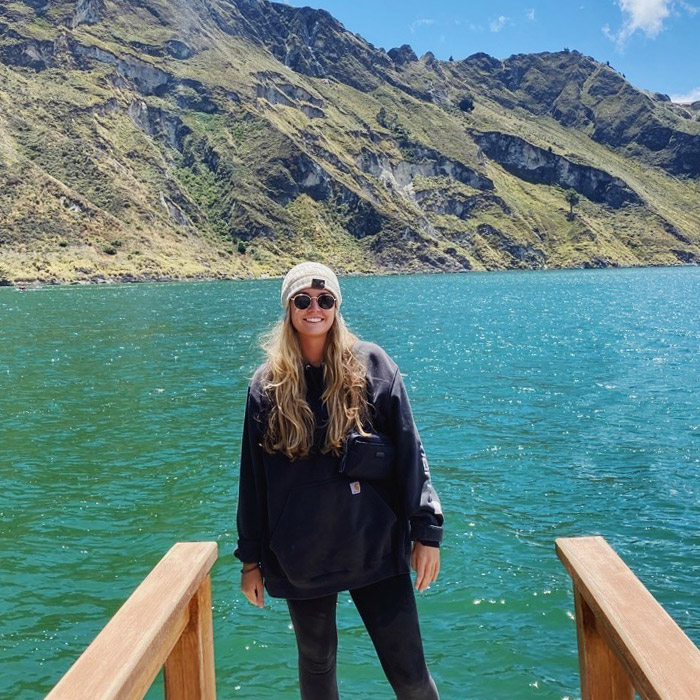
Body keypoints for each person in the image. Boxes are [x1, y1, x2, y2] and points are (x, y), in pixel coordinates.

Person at [235, 261, 444, 700]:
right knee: (317, 664)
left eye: (325, 299)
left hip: (374, 541)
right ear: (288, 309)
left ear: (336, 306)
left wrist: (427, 531)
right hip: (301, 553)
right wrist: (251, 560)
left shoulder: (373, 365)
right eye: (303, 300)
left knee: (409, 673)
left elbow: (410, 450)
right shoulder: (266, 385)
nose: (315, 309)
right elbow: (253, 482)